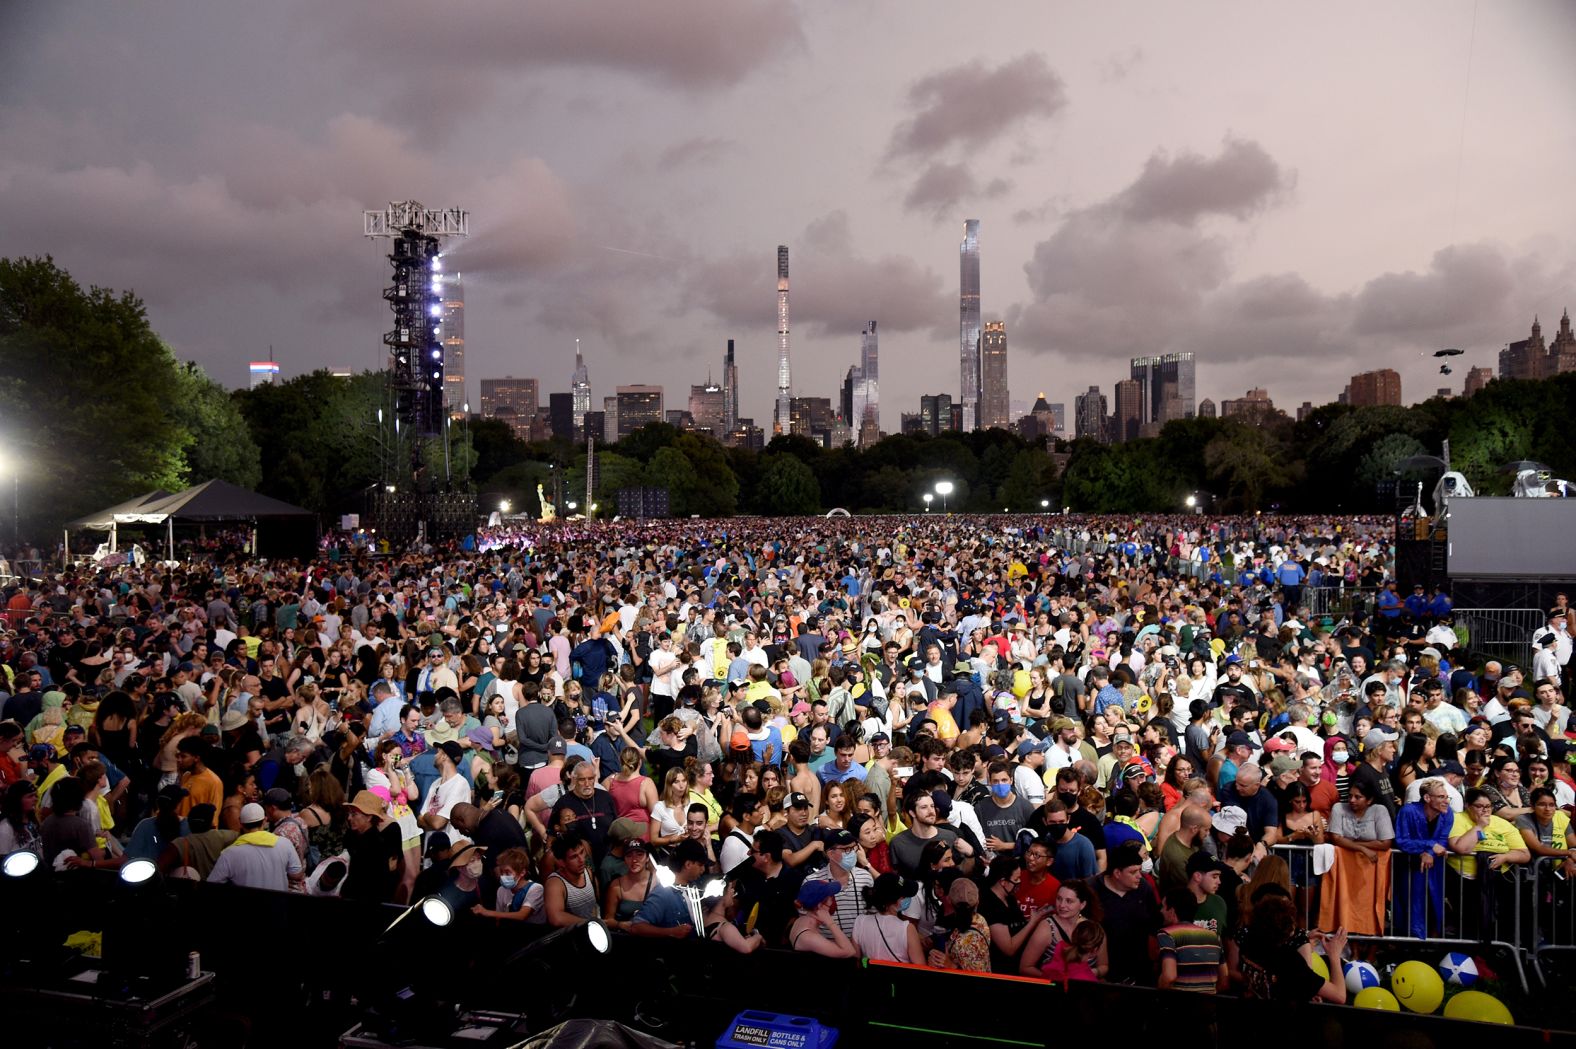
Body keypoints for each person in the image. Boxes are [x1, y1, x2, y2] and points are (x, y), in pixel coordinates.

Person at [1319, 779, 1393, 935]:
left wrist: (1353, 843)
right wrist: (1362, 848)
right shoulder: (1339, 808)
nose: (1352, 800)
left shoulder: (1379, 810)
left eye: (1358, 797)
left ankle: (1371, 952)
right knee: (1345, 908)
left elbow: (1385, 842)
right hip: (1345, 872)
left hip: (1371, 873)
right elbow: (1336, 838)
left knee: (1370, 910)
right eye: (1350, 796)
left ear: (1370, 800)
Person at [1091, 842, 1159, 985]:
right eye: (1133, 872)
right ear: (1117, 873)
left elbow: (1155, 924)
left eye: (1140, 871)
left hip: (1139, 970)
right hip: (1104, 971)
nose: (1139, 876)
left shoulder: (1143, 888)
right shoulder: (1092, 890)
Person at [208, 802, 304, 891]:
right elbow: (296, 874)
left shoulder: (229, 854)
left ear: (240, 823)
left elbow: (212, 885)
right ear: (264, 821)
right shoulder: (284, 844)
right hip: (278, 907)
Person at [1019, 880, 1105, 979]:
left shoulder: (1093, 928)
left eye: (1069, 901)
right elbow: (1025, 968)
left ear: (1082, 904)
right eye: (1059, 899)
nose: (1061, 905)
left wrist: (1089, 974)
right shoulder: (1047, 927)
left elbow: (1104, 965)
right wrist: (1056, 979)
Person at [1157, 887, 1226, 993]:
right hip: (1209, 1006)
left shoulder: (1167, 934)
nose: (1161, 911)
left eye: (1163, 906)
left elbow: (1169, 976)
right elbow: (1224, 981)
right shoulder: (1214, 937)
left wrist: (1158, 996)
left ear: (1172, 911)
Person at [341, 790, 403, 902]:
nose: (349, 818)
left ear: (369, 817)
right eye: (349, 814)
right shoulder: (354, 837)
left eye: (354, 814)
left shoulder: (374, 845)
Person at [852, 872, 927, 964]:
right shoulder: (907, 929)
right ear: (895, 900)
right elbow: (920, 967)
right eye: (904, 896)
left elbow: (857, 961)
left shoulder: (860, 922)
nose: (907, 899)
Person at [787, 879, 859, 958]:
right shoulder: (808, 936)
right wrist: (830, 922)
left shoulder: (801, 920)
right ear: (820, 905)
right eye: (831, 897)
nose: (833, 900)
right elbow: (850, 952)